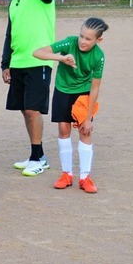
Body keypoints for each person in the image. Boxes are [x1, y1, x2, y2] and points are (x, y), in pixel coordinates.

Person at [33, 18, 108, 193]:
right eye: (81, 36)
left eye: (88, 39)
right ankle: (66, 174)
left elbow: (95, 88)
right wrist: (61, 58)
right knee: (64, 130)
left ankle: (85, 177)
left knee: (85, 130)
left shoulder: (99, 56)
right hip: (63, 90)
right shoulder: (69, 42)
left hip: (83, 93)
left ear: (98, 40)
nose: (82, 41)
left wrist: (89, 117)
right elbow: (38, 52)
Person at [0, 0, 55, 177]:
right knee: (25, 109)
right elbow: (9, 33)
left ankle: (37, 158)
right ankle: (38, 154)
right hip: (18, 61)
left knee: (33, 109)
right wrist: (6, 63)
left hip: (39, 59)